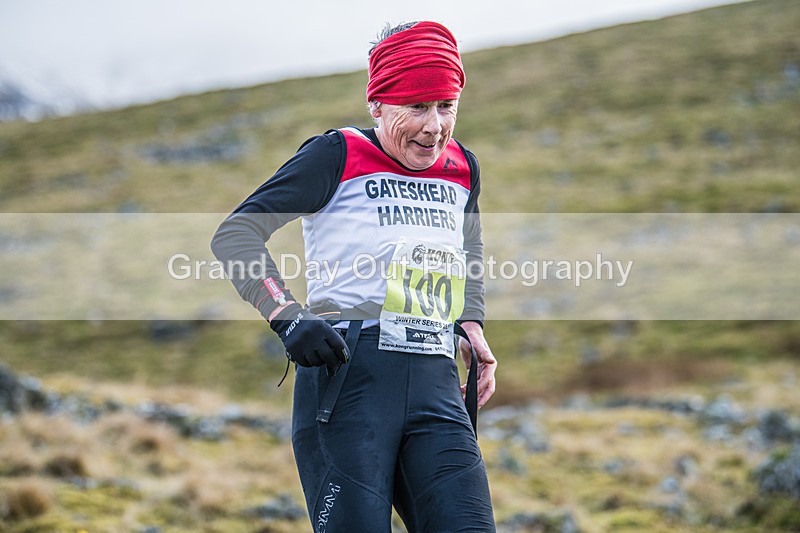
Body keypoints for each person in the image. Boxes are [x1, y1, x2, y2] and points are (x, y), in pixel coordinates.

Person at [211, 20, 497, 532]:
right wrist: (286, 314)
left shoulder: (462, 167)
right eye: (417, 107)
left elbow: (468, 249)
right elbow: (236, 235)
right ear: (378, 104)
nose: (434, 126)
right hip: (349, 379)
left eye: (446, 106)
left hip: (434, 379)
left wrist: (471, 326)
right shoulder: (336, 154)